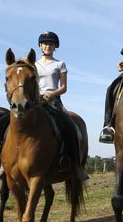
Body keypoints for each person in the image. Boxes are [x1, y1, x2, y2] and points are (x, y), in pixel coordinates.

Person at [35, 31, 88, 181]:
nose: (47, 46)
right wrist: (38, 94)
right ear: (40, 45)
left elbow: (64, 87)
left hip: (54, 101)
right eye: (45, 43)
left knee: (70, 127)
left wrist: (52, 93)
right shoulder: (34, 65)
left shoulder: (60, 64)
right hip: (36, 101)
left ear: (55, 46)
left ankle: (76, 166)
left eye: (51, 44)